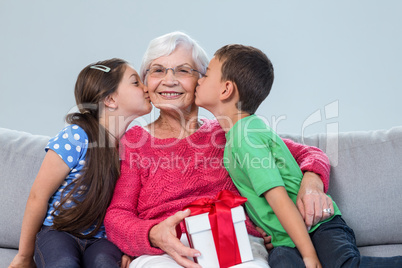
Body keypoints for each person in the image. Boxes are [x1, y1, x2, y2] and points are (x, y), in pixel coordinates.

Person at [104, 32, 334, 268]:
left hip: (234, 240)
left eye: (183, 70)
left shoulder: (229, 130)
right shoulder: (134, 142)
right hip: (167, 250)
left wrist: (312, 183)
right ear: (146, 81)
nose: (169, 80)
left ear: (202, 81)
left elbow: (310, 154)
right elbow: (117, 215)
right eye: (157, 70)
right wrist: (151, 234)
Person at [195, 44, 402, 267]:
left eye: (205, 75)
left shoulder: (246, 138)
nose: (198, 80)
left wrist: (309, 255)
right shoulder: (240, 134)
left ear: (226, 90)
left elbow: (280, 199)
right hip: (286, 240)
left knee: (343, 265)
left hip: (317, 227)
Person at [9, 58, 152, 268]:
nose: (146, 88)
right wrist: (24, 256)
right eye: (135, 82)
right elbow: (38, 196)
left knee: (105, 263)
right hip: (59, 232)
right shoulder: (76, 137)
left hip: (102, 240)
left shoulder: (133, 147)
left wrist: (128, 249)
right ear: (111, 99)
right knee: (63, 263)